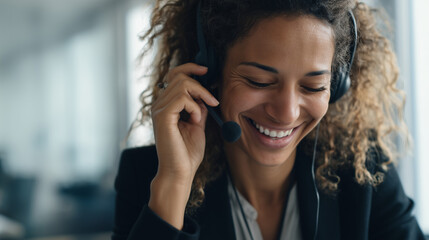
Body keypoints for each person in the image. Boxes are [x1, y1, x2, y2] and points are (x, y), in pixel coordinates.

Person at [112, 0, 425, 239]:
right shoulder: (149, 178)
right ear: (210, 72)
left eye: (313, 86)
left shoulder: (365, 172)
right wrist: (175, 183)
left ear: (338, 85)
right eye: (259, 81)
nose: (287, 112)